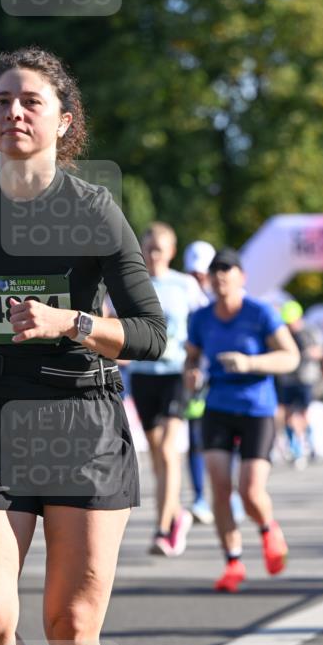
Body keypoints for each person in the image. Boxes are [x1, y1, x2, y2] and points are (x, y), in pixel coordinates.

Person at [0, 47, 166, 645]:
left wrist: (70, 322)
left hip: (81, 423)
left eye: (29, 101)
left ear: (63, 121)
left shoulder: (91, 211)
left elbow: (152, 334)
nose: (13, 112)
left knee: (71, 622)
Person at [186, 248, 300, 591]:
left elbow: (291, 357)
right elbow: (191, 359)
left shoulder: (261, 313)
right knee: (219, 487)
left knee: (250, 491)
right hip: (218, 406)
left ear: (241, 277)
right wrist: (190, 374)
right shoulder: (201, 318)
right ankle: (233, 562)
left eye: (227, 269)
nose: (220, 276)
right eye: (215, 271)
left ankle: (268, 529)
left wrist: (250, 364)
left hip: (256, 409)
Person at [130, 222, 205, 555]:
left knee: (167, 449)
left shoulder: (184, 285)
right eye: (147, 248)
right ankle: (178, 515)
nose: (152, 254)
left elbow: (202, 324)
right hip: (143, 374)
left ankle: (162, 529)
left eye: (158, 248)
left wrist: (198, 363)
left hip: (175, 372)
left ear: (171, 252)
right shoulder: (133, 282)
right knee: (156, 451)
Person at [181, 239, 216, 525]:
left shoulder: (221, 300)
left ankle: (227, 494)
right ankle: (200, 497)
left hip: (219, 379)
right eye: (194, 273)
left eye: (202, 274)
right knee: (195, 438)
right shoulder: (181, 293)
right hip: (194, 380)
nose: (198, 279)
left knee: (222, 440)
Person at [276, 300, 323, 469]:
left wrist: (309, 353)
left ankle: (309, 444)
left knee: (303, 414)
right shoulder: (283, 332)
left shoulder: (309, 331)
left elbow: (321, 349)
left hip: (306, 377)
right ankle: (295, 448)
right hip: (288, 378)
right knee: (289, 414)